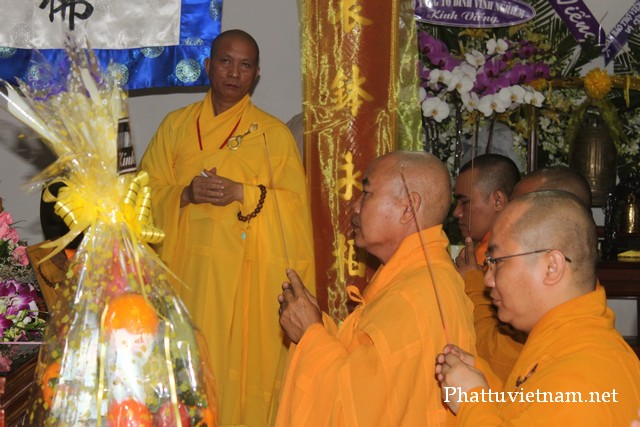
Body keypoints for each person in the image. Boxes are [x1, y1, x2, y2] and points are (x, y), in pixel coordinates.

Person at [140, 29, 315, 426]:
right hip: (184, 279)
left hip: (244, 286)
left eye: (245, 65)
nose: (234, 72)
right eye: (225, 61)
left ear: (257, 74)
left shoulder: (273, 136)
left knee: (231, 383)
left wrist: (243, 193)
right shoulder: (176, 126)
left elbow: (294, 211)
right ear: (208, 65)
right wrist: (185, 194)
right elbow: (143, 196)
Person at [275, 151, 476, 426]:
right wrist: (317, 325)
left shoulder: (415, 296)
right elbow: (368, 374)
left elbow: (358, 411)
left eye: (367, 194)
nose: (356, 207)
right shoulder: (417, 279)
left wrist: (311, 334)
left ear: (409, 207)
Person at [436, 191, 640, 425]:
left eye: (497, 262)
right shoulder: (567, 342)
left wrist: (472, 401)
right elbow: (529, 410)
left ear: (551, 267)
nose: (488, 280)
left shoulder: (581, 376)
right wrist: (482, 380)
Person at [454, 165, 593, 382]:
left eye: (521, 208)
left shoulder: (579, 365)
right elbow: (517, 390)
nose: (489, 280)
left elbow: (499, 360)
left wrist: (472, 396)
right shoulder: (554, 321)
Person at [452, 154, 522, 382]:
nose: (456, 213)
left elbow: (501, 355)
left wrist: (473, 283)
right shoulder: (478, 253)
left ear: (498, 201)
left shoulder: (518, 258)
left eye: (464, 202)